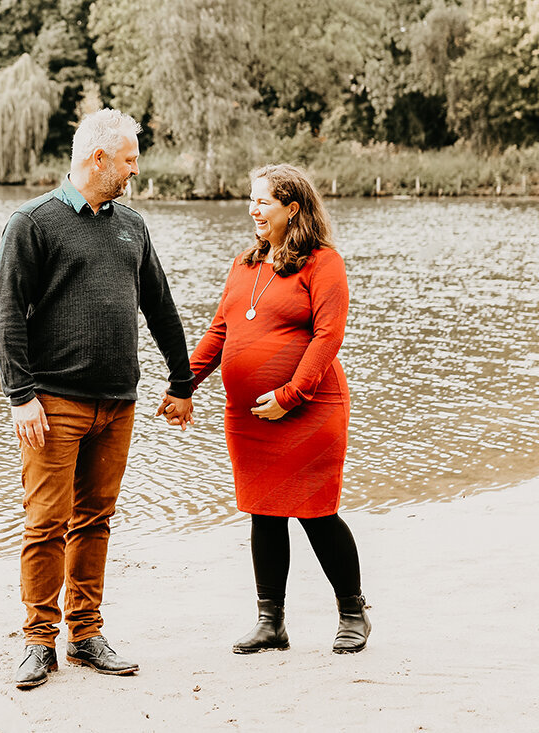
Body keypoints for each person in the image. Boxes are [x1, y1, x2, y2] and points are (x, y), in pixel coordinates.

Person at [0, 108, 195, 689]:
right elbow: (5, 315)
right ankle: (37, 640)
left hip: (117, 402)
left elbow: (159, 306)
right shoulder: (33, 223)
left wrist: (181, 382)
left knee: (96, 519)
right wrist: (20, 395)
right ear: (97, 158)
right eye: (129, 158)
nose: (136, 168)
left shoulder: (132, 225)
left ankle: (84, 633)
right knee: (46, 522)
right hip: (53, 403)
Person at [159, 163, 371, 654]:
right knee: (263, 512)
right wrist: (182, 385)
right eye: (251, 200)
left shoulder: (323, 263)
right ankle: (270, 622)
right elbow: (219, 331)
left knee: (316, 512)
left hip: (309, 410)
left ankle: (352, 611)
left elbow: (327, 338)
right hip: (249, 418)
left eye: (263, 200)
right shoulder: (244, 264)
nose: (253, 209)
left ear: (292, 208)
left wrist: (289, 395)